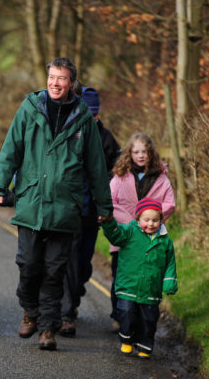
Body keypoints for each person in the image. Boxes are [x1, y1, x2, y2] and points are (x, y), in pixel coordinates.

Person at [0, 57, 113, 351]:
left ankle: (47, 328)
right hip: (32, 202)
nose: (55, 83)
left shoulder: (83, 118)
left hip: (65, 207)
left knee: (55, 270)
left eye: (61, 78)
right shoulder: (30, 108)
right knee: (29, 265)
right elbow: (11, 149)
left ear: (72, 83)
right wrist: (0, 183)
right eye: (52, 77)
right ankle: (30, 311)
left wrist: (103, 206)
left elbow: (97, 167)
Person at [60, 86, 121, 337]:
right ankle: (67, 310)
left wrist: (102, 186)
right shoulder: (69, 132)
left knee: (84, 264)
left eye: (95, 114)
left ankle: (74, 293)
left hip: (92, 213)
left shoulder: (106, 139)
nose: (92, 117)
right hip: (68, 210)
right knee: (69, 261)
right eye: (88, 112)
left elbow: (117, 170)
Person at [109, 133, 175, 332]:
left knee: (145, 278)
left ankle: (140, 320)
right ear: (129, 153)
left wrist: (150, 218)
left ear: (150, 153)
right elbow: (110, 202)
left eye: (144, 151)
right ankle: (119, 316)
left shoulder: (161, 178)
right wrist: (130, 222)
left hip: (149, 237)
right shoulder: (120, 176)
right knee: (120, 276)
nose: (140, 155)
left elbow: (170, 203)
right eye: (136, 151)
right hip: (125, 236)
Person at [100, 198, 178, 359]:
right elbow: (115, 234)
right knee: (127, 313)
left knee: (148, 319)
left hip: (151, 289)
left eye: (155, 220)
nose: (151, 224)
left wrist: (169, 282)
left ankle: (145, 346)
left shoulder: (165, 241)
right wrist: (108, 222)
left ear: (161, 220)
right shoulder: (129, 232)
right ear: (138, 219)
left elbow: (170, 263)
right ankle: (126, 340)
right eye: (146, 220)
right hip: (128, 285)